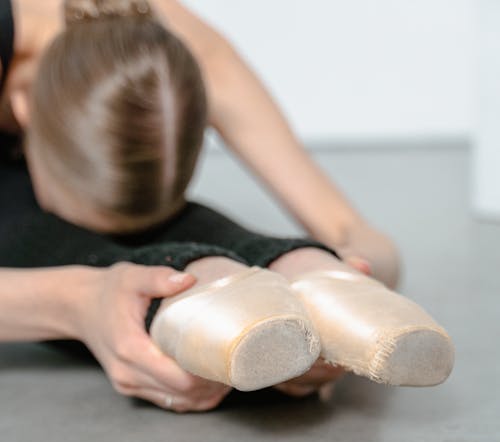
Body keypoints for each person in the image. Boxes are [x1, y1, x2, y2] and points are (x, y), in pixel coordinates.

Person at [0, 0, 453, 412]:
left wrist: (354, 271)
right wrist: (76, 303)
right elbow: (354, 226)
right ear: (22, 107)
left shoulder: (172, 54)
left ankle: (274, 279)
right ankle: (236, 281)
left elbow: (353, 234)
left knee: (174, 235)